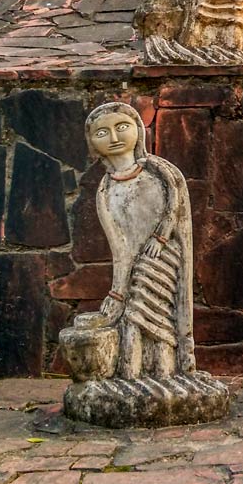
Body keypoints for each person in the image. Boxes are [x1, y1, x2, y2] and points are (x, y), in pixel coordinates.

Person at [87, 102, 196, 379]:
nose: (113, 138)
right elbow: (119, 247)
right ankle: (131, 375)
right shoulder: (105, 189)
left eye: (121, 128)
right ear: (91, 142)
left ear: (138, 130)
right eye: (102, 132)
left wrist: (160, 239)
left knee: (163, 322)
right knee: (133, 317)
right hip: (135, 270)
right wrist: (117, 292)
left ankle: (169, 373)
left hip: (166, 258)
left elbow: (175, 206)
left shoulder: (159, 170)